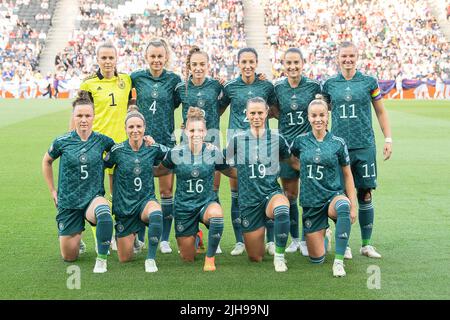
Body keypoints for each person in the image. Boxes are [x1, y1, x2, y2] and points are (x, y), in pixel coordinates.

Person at [322, 41, 392, 259]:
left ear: (357, 57)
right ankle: (346, 243)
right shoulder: (329, 84)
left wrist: (388, 138)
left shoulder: (369, 82)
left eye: (351, 56)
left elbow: (381, 112)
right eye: (344, 56)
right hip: (339, 147)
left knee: (365, 194)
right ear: (338, 58)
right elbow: (321, 112)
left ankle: (366, 244)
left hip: (364, 145)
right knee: (341, 196)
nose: (348, 60)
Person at [42, 91, 114, 273]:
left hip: (92, 199)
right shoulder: (62, 141)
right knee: (69, 256)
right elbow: (46, 161)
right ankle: (76, 238)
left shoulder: (102, 141)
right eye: (79, 115)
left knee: (104, 212)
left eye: (87, 115)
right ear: (73, 117)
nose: (83, 119)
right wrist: (52, 190)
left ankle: (102, 259)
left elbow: (123, 153)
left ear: (93, 117)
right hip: (69, 202)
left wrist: (146, 142)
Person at [156, 107, 235, 271]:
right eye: (192, 130)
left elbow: (230, 172)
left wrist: (251, 170)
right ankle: (196, 236)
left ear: (206, 132)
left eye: (200, 130)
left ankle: (210, 258)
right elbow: (159, 171)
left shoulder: (213, 152)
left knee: (217, 215)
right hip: (184, 208)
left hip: (206, 203)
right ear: (185, 131)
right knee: (187, 258)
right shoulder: (175, 153)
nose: (196, 134)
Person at [75, 41, 134, 253]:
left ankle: (120, 234)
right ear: (97, 59)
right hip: (95, 147)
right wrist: (75, 141)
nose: (107, 61)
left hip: (120, 147)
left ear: (116, 58)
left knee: (117, 194)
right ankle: (102, 239)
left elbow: (132, 106)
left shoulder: (126, 80)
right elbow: (78, 113)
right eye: (104, 58)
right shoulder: (88, 84)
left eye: (111, 57)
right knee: (93, 193)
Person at [289, 96, 357, 277]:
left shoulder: (338, 142)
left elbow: (348, 175)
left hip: (333, 196)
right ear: (308, 117)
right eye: (314, 116)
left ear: (327, 117)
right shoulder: (300, 141)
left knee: (343, 207)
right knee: (316, 258)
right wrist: (303, 168)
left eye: (322, 115)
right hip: (311, 202)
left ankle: (339, 261)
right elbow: (292, 159)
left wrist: (354, 206)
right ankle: (324, 235)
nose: (318, 119)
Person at [220, 48, 278, 256]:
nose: (247, 65)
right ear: (238, 63)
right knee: (237, 194)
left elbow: (277, 111)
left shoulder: (266, 86)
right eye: (243, 61)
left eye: (251, 61)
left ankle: (271, 240)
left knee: (266, 189)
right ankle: (240, 241)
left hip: (263, 145)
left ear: (256, 62)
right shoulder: (230, 88)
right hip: (238, 147)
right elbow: (216, 109)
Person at [225, 97, 291, 272]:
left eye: (260, 113)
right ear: (246, 115)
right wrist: (241, 174)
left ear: (267, 113)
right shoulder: (237, 140)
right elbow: (224, 164)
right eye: (252, 113)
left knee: (282, 207)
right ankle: (260, 239)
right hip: (249, 200)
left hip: (271, 193)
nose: (256, 116)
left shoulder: (277, 138)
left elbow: (288, 159)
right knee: (256, 257)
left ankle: (279, 256)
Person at [131, 38, 182, 254]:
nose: (156, 60)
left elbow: (181, 103)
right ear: (146, 57)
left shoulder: (174, 80)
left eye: (160, 56)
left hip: (166, 141)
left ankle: (163, 239)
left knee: (166, 190)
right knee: (141, 190)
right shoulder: (136, 77)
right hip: (141, 143)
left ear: (166, 57)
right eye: (152, 56)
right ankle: (140, 237)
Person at [104, 107, 169, 272]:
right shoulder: (117, 151)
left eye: (139, 126)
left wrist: (157, 144)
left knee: (156, 213)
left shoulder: (152, 148)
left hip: (145, 202)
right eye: (131, 127)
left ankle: (151, 259)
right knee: (125, 259)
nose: (135, 130)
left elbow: (173, 157)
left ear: (144, 128)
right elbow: (101, 166)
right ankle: (133, 238)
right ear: (125, 129)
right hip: (124, 208)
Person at [272, 48, 321, 256]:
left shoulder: (313, 87)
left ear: (303, 63)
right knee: (290, 195)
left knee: (311, 194)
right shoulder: (277, 88)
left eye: (296, 63)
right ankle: (295, 239)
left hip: (309, 148)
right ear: (283, 65)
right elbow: (273, 111)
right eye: (288, 63)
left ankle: (315, 234)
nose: (292, 67)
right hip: (286, 149)